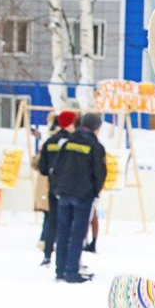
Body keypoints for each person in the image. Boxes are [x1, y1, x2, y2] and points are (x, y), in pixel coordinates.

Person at [49, 112, 105, 283]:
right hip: (83, 195)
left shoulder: (68, 142)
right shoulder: (95, 146)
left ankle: (60, 270)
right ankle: (72, 271)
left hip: (64, 193)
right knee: (78, 233)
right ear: (95, 127)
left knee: (63, 231)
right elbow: (99, 173)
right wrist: (95, 192)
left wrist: (57, 188)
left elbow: (56, 167)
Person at [36, 110, 77, 267]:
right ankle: (68, 258)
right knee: (70, 223)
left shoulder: (50, 141)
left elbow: (43, 167)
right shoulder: (72, 141)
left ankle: (47, 254)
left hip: (53, 186)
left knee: (52, 220)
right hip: (70, 188)